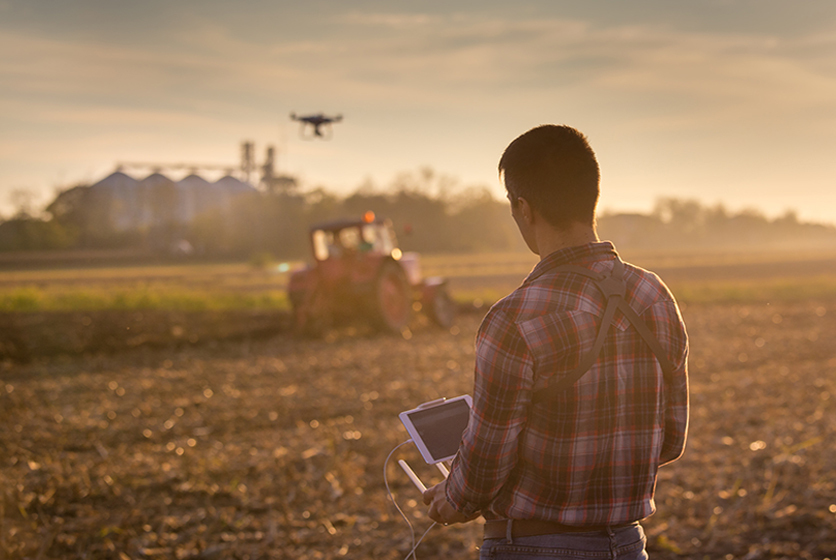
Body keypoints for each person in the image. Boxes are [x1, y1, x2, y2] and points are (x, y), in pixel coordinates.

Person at [423, 125, 689, 559]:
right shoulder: (654, 296)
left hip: (530, 547)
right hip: (627, 545)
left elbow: (486, 463)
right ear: (592, 195)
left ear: (523, 208)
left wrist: (452, 498)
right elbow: (671, 440)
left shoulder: (515, 317)